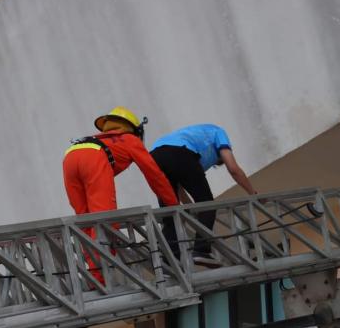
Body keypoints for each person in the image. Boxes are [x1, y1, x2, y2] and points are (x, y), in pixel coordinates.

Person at [63, 106, 178, 283]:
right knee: (106, 221)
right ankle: (100, 279)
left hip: (70, 156)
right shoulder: (129, 139)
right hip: (94, 158)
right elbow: (154, 174)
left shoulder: (98, 138)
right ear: (133, 128)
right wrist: (173, 204)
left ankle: (94, 279)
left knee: (85, 221)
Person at [150, 123, 258, 265]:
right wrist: (252, 193)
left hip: (154, 157)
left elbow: (179, 185)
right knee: (207, 204)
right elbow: (233, 168)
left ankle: (169, 261)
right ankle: (201, 250)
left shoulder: (193, 138)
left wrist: (190, 208)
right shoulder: (219, 132)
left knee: (170, 213)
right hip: (180, 152)